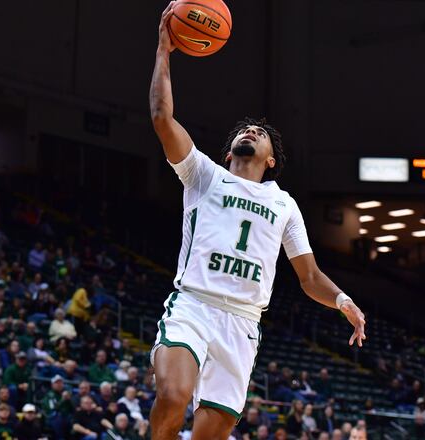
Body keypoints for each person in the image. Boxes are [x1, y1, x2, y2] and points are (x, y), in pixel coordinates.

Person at [147, 6, 367, 439]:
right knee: (173, 396)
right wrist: (163, 51)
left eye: (259, 132)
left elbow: (309, 277)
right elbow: (161, 118)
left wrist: (344, 301)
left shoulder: (284, 204)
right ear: (229, 151)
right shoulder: (204, 175)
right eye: (244, 131)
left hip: (243, 323)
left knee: (211, 432)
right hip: (194, 305)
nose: (250, 131)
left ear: (270, 160)